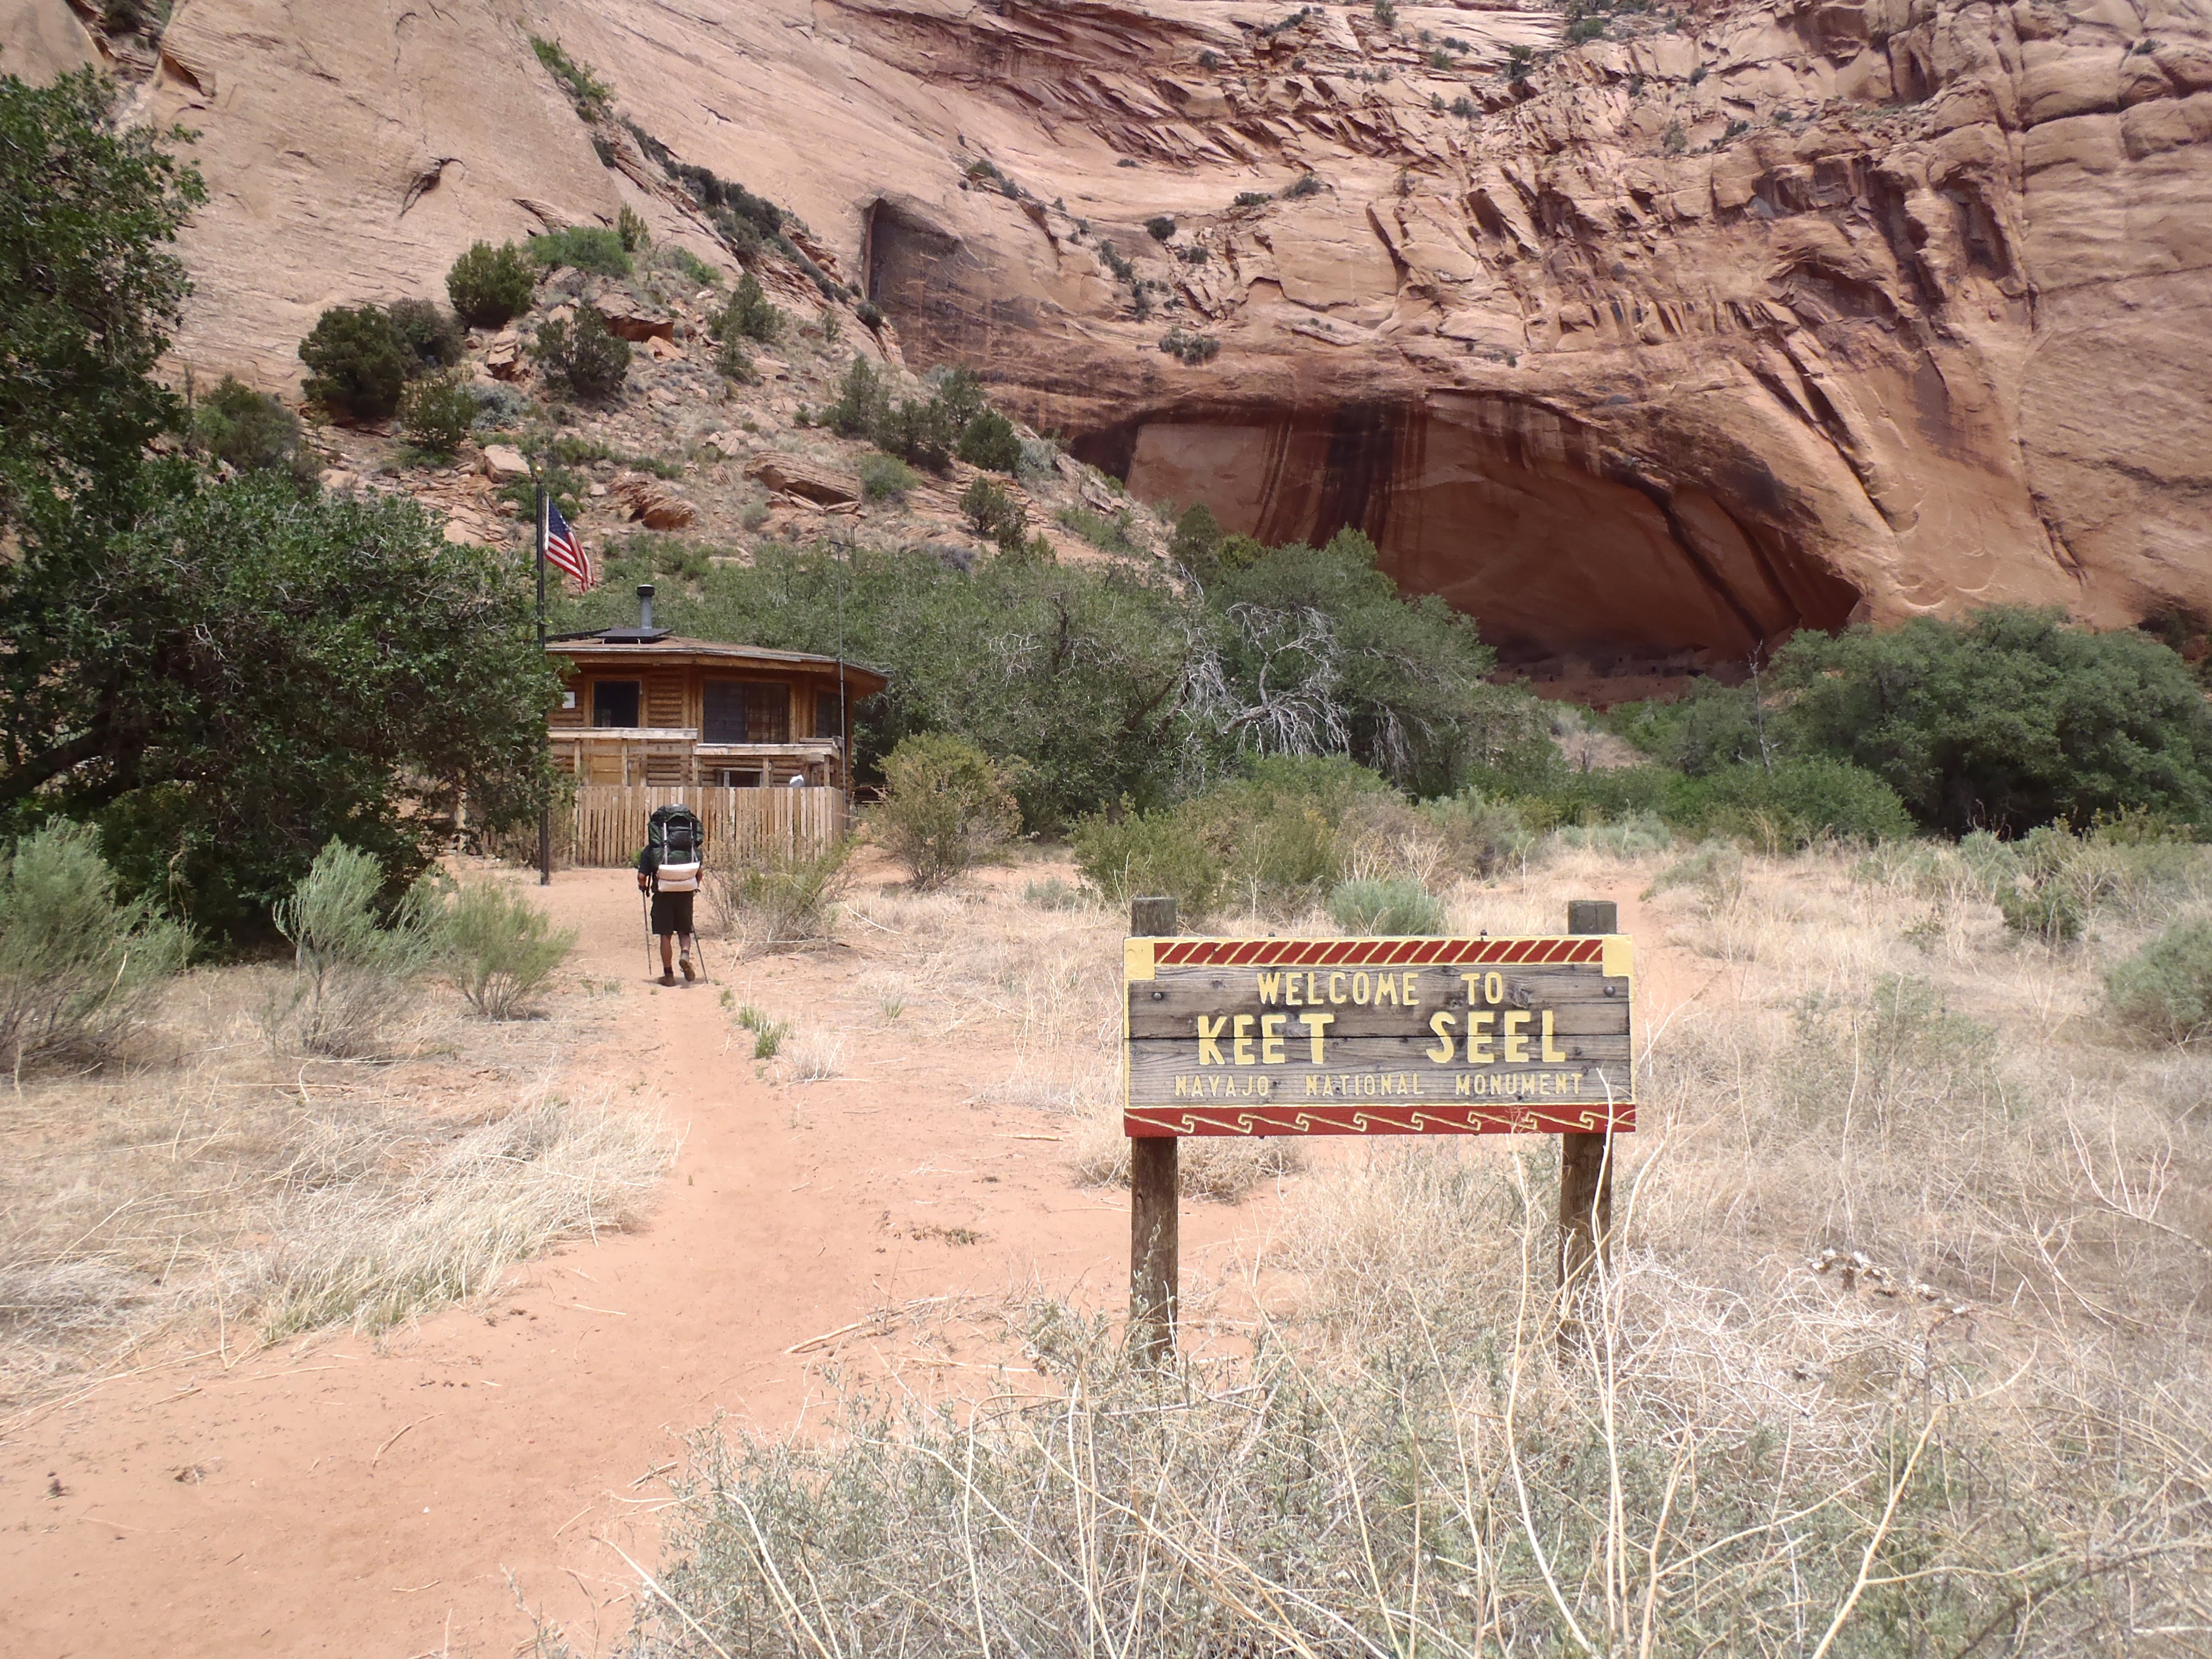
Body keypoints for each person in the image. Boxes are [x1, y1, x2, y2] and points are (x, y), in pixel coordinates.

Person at [636, 838, 698, 986]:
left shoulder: (652, 849)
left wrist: (643, 886)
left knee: (666, 935)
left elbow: (642, 877)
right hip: (685, 892)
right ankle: (685, 954)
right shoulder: (689, 847)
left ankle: (669, 975)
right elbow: (699, 872)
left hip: (663, 894)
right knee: (685, 931)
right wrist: (694, 887)